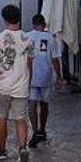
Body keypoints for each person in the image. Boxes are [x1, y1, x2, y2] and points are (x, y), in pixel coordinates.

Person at [0, 3, 33, 162]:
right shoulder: (28, 39)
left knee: (1, 118)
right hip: (21, 85)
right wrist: (28, 81)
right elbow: (29, 64)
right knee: (21, 119)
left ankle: (1, 150)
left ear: (4, 19)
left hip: (3, 85)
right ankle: (22, 149)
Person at [24, 14, 62, 148]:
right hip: (46, 76)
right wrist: (59, 77)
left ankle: (35, 131)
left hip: (31, 76)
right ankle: (42, 129)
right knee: (44, 104)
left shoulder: (26, 36)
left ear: (33, 23)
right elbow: (55, 60)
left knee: (32, 104)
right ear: (44, 24)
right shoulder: (51, 38)